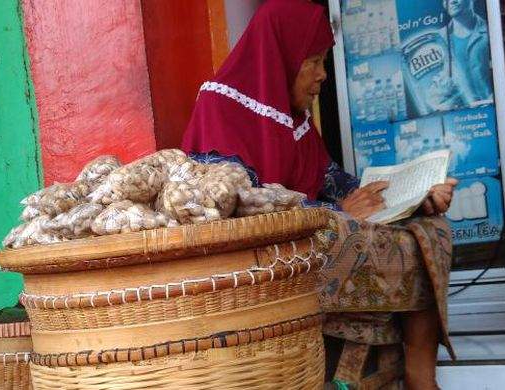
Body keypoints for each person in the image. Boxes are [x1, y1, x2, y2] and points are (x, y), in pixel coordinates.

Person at [181, 1, 457, 389]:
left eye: (323, 61)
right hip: (264, 257)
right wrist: (335, 211)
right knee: (371, 239)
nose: (322, 74)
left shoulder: (293, 118)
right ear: (281, 57)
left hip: (314, 234)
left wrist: (412, 195)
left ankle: (420, 374)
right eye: (313, 61)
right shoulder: (220, 105)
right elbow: (237, 203)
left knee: (430, 227)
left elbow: (334, 180)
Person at [443, 0, 493, 106]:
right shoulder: (439, 40)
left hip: (490, 107)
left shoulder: (491, 31)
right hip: (459, 112)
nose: (452, 1)